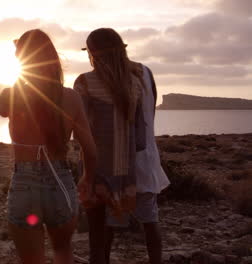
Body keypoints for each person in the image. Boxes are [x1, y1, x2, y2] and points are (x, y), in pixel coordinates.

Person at [0, 29, 109, 263]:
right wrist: (87, 178)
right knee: (62, 251)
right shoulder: (71, 98)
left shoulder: (11, 94)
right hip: (61, 183)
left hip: (24, 185)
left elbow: (3, 109)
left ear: (21, 60)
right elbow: (90, 149)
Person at [74, 28, 168, 264]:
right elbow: (146, 121)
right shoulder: (142, 75)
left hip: (100, 168)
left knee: (101, 232)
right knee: (149, 220)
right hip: (141, 160)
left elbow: (80, 130)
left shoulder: (85, 81)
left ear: (92, 53)